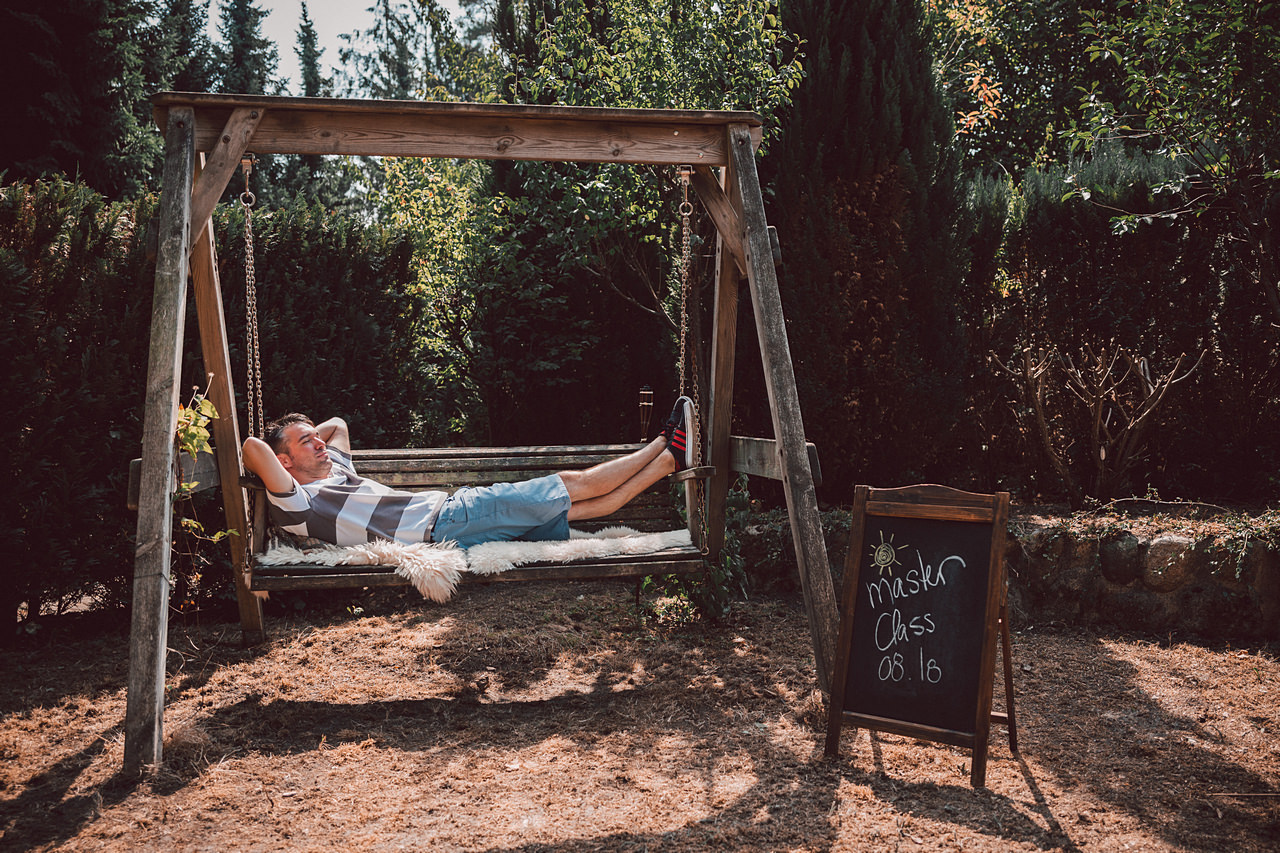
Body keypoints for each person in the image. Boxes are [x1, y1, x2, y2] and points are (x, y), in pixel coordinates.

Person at [241, 397, 694, 549]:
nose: (321, 443)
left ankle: (669, 462)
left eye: (316, 440)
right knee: (571, 486)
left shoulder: (335, 468)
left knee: (588, 507)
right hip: (455, 518)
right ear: (283, 464)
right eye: (308, 443)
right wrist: (287, 444)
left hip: (454, 524)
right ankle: (660, 442)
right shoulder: (299, 504)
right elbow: (253, 448)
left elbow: (337, 424)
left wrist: (303, 440)